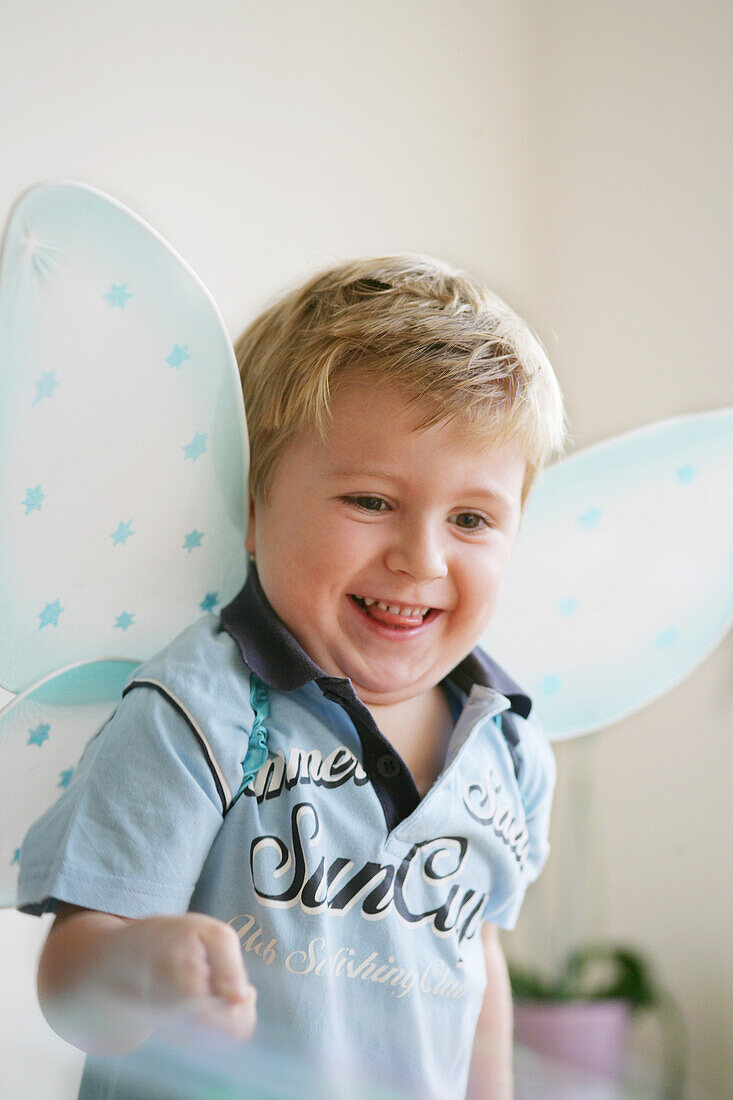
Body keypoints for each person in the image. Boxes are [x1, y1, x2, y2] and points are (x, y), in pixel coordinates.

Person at [17, 255, 565, 1099]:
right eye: (370, 501)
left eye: (470, 518)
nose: (420, 558)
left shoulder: (508, 747)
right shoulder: (198, 712)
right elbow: (72, 982)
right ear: (250, 503)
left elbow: (476, 966)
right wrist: (145, 970)